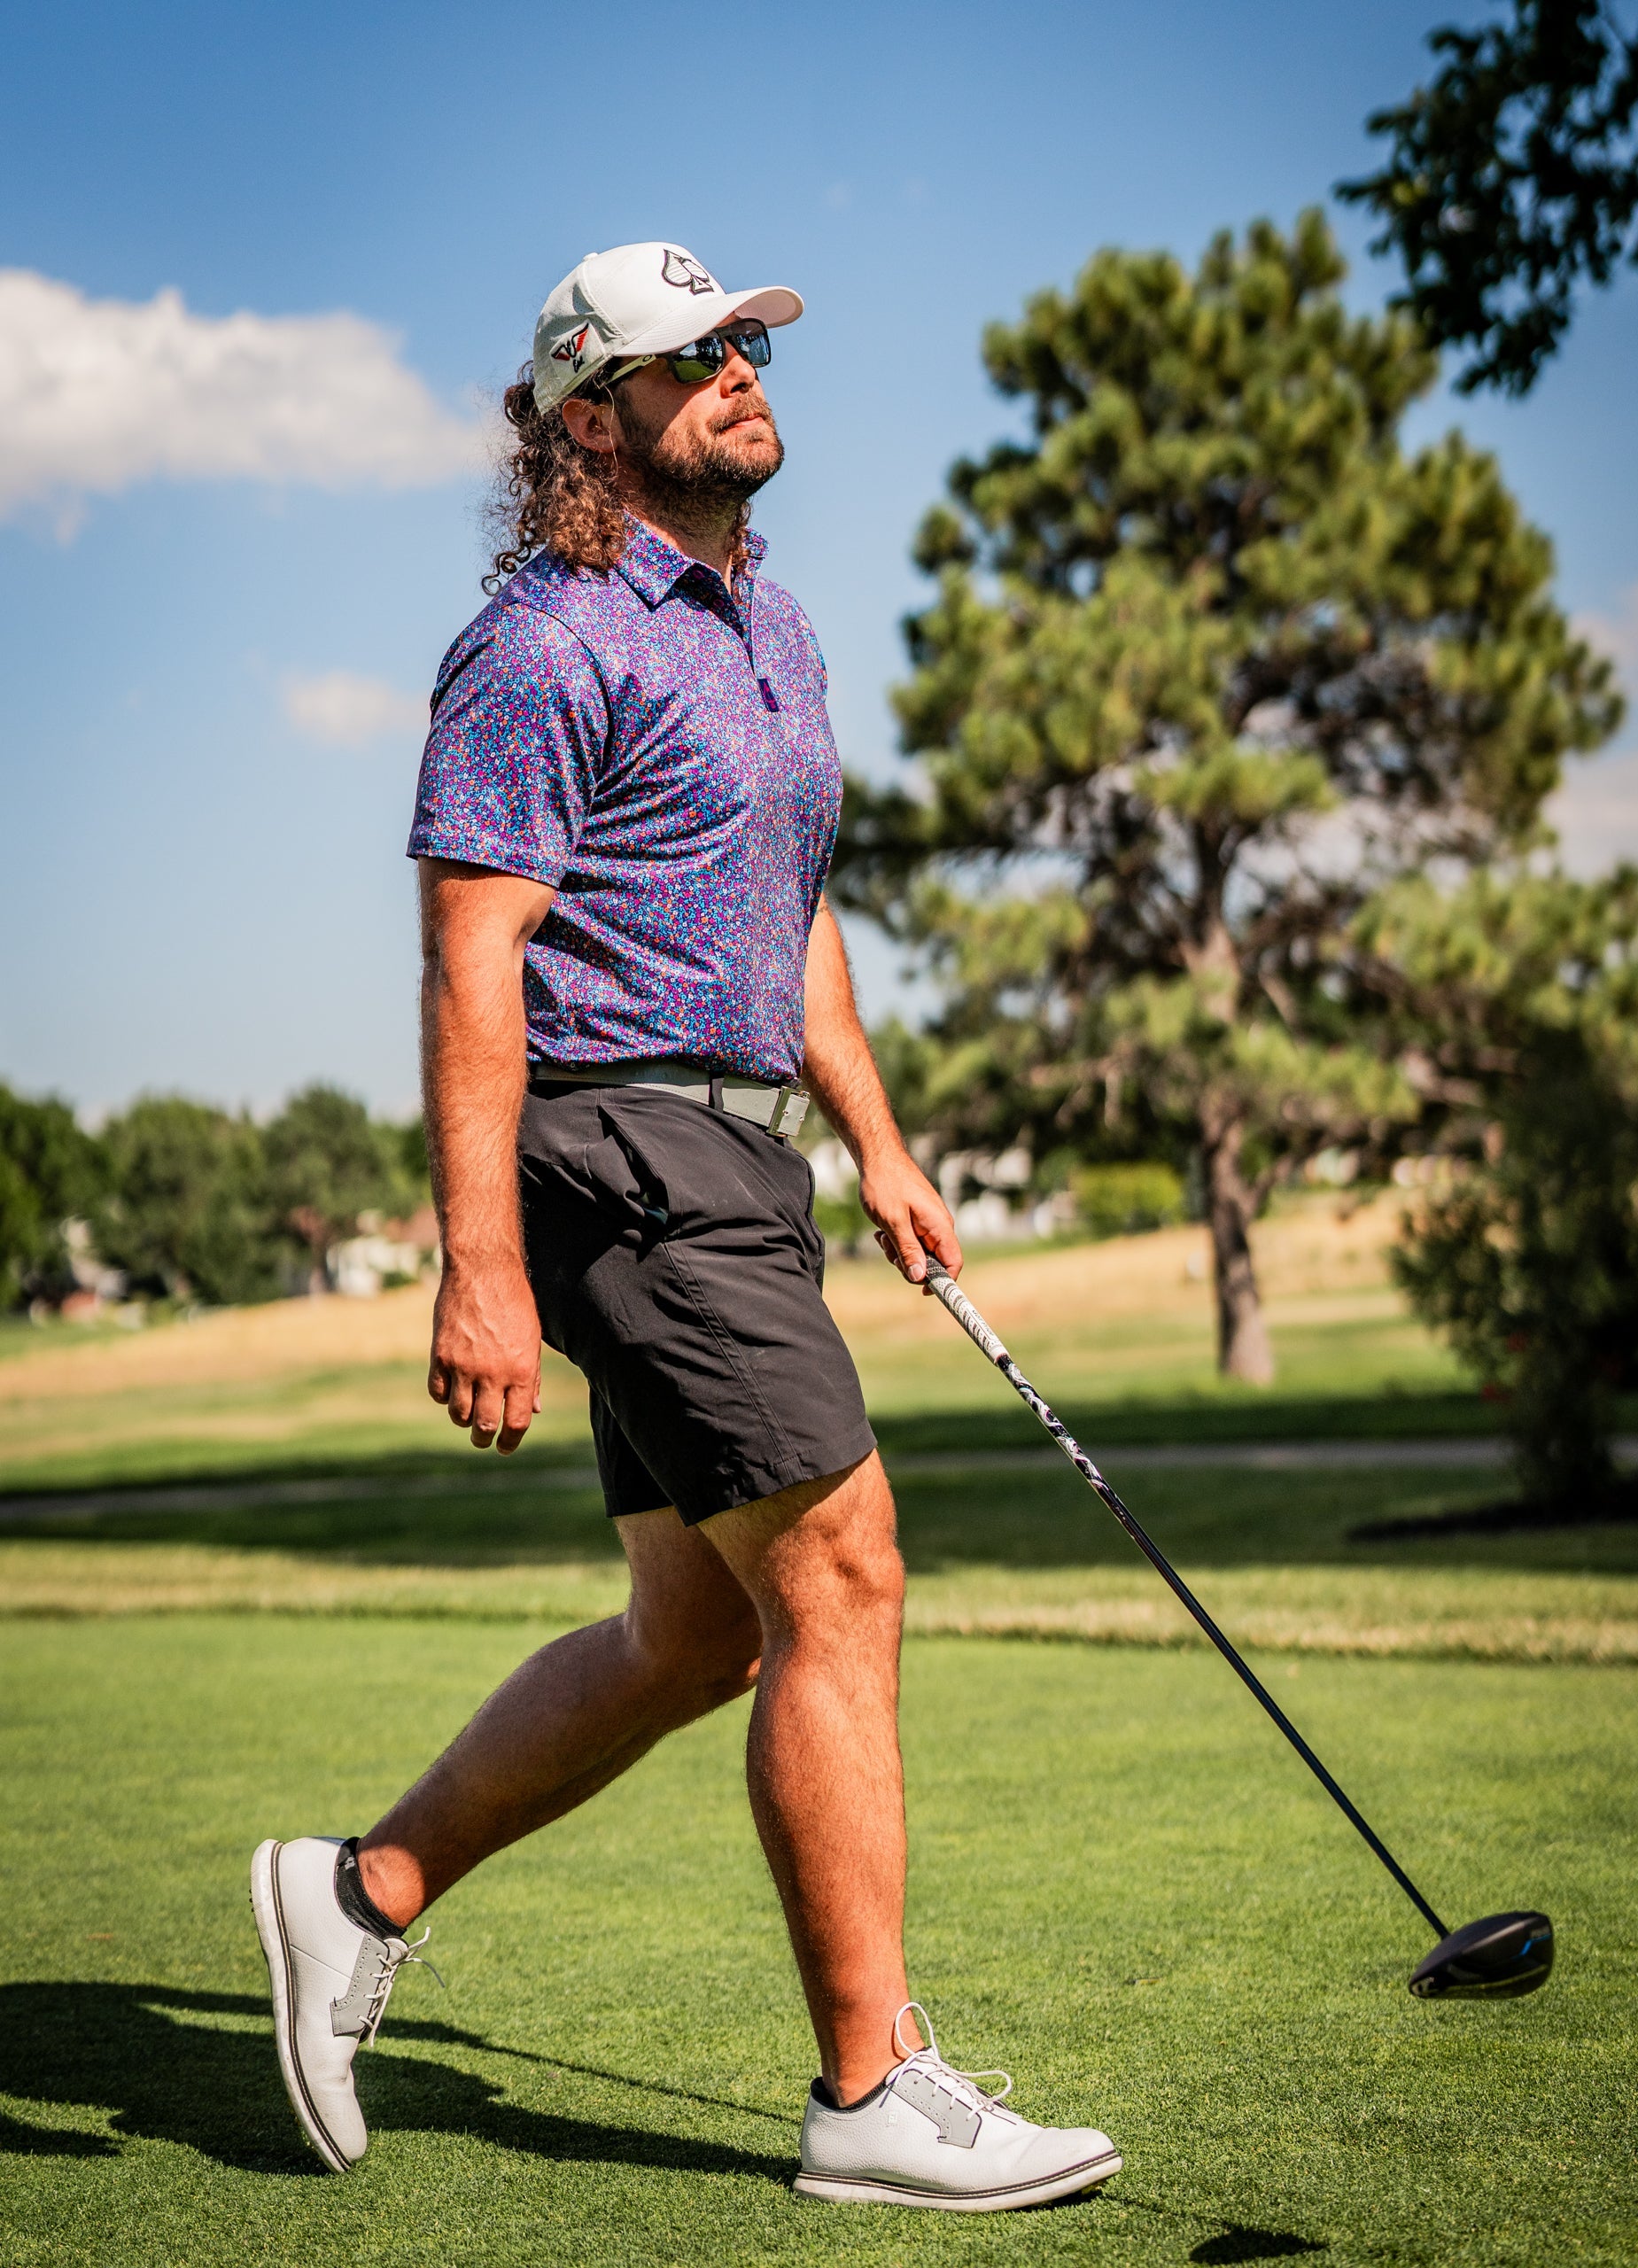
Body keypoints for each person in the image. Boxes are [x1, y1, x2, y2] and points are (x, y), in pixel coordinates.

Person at [250, 240, 1121, 2213]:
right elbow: (477, 963)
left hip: (748, 1160)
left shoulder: (773, 631)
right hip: (618, 1149)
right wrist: (475, 1261)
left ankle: (357, 1884)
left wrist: (878, 1142)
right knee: (846, 1566)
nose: (736, 368)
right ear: (592, 415)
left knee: (702, 1624)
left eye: (742, 340)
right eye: (687, 354)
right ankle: (870, 2090)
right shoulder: (540, 644)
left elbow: (790, 911)